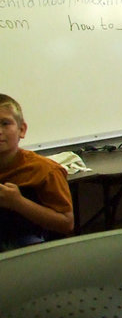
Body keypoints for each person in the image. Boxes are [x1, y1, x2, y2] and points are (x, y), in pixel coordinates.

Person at [0, 94, 74, 251]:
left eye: (5, 123)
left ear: (21, 130)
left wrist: (18, 203)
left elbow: (67, 224)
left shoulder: (45, 170)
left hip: (28, 244)